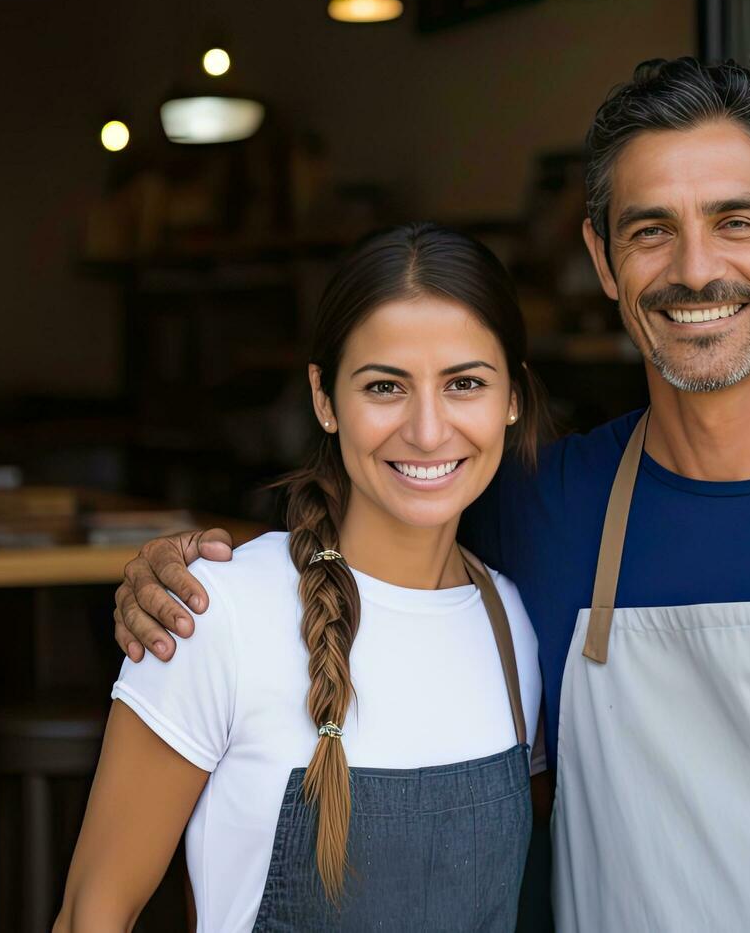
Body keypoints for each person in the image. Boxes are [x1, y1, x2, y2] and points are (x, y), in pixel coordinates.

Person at [115, 58, 750, 930]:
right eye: (652, 230)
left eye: (735, 221)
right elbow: (356, 547)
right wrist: (187, 577)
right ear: (603, 260)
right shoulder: (531, 508)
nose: (696, 267)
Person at [56, 224, 551, 931]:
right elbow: (91, 914)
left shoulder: (514, 631)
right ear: (324, 398)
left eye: (464, 383)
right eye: (385, 386)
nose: (428, 429)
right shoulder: (215, 613)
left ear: (512, 397)